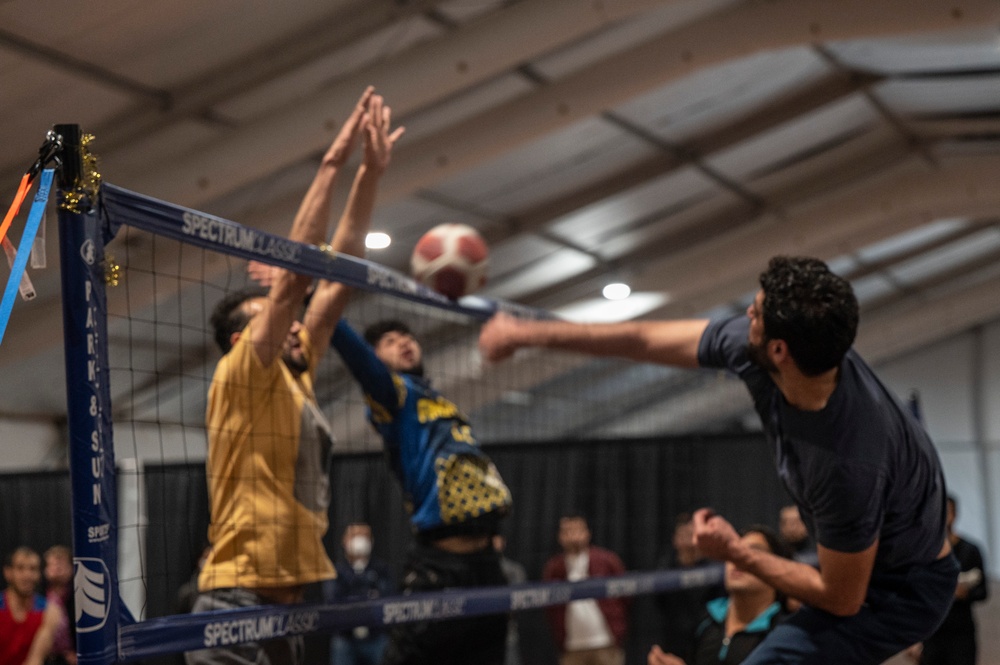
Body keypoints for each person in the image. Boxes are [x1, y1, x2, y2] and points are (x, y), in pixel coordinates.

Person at [479, 255, 959, 664]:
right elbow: (642, 339)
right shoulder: (779, 353)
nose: (747, 313)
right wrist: (528, 333)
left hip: (902, 592)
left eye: (756, 313)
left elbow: (841, 597)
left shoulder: (845, 462)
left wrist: (736, 553)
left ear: (780, 350)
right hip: (872, 553)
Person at [186, 87, 403, 665]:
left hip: (289, 610)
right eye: (269, 321)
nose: (290, 327)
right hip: (235, 607)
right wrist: (331, 163)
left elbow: (341, 273)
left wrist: (370, 174)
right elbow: (295, 280)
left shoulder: (294, 371)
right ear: (240, 340)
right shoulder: (243, 372)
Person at [328, 316, 513, 665]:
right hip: (441, 566)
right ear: (375, 358)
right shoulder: (395, 398)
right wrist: (318, 295)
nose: (403, 341)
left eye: (406, 335)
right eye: (389, 341)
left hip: (487, 564)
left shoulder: (441, 402)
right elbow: (359, 360)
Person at [649, 526, 791, 665]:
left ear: (777, 568)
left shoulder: (786, 634)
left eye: (752, 552)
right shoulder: (705, 620)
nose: (737, 559)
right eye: (733, 551)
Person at [543, 514, 628, 665]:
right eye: (567, 532)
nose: (573, 537)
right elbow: (550, 608)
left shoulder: (607, 560)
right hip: (571, 647)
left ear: (587, 533)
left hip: (605, 643)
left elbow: (625, 596)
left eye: (577, 531)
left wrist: (617, 627)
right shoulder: (554, 567)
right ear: (560, 536)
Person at [914, 495, 989, 665]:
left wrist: (964, 593)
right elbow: (915, 595)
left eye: (946, 512)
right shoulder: (925, 553)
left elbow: (982, 591)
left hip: (960, 633)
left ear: (954, 514)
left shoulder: (970, 551)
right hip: (932, 634)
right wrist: (914, 640)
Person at [324, 523, 395, 665]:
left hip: (376, 637)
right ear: (345, 541)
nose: (360, 541)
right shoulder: (336, 572)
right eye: (355, 536)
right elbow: (333, 602)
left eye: (364, 536)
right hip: (345, 639)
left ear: (371, 541)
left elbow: (387, 600)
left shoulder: (381, 570)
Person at [655, 513, 723, 657]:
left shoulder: (714, 570)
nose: (689, 538)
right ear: (675, 539)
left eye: (692, 533)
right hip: (673, 640)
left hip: (705, 638)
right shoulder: (664, 570)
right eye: (684, 534)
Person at [1, 546, 60, 665]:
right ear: (8, 573)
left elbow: (35, 659)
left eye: (33, 569)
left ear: (39, 574)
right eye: (20, 568)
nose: (27, 575)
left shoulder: (50, 611)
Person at [493, 534, 527, 665]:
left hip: (507, 633)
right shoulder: (473, 569)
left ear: (503, 541)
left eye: (496, 538)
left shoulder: (514, 570)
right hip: (478, 635)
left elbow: (519, 601)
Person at [43, 545, 76, 665]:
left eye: (61, 564)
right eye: (52, 564)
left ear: (71, 568)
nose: (57, 568)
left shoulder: (79, 596)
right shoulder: (38, 595)